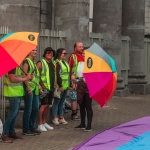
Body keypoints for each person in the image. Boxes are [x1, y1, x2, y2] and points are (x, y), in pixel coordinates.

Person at [1, 67, 33, 143]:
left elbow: (17, 78)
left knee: (14, 114)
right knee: (12, 114)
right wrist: (25, 78)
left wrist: (26, 77)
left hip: (17, 93)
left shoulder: (17, 67)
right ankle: (4, 134)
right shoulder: (12, 67)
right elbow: (12, 79)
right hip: (13, 93)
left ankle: (11, 132)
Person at [22, 47, 42, 136]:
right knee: (28, 109)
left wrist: (40, 88)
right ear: (28, 51)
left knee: (35, 108)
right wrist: (28, 88)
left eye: (36, 50)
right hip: (29, 89)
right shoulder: (26, 62)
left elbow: (36, 78)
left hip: (35, 89)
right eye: (33, 50)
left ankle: (31, 127)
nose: (35, 52)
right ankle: (26, 129)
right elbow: (24, 77)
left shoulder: (33, 62)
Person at [36, 47, 56, 132]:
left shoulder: (53, 63)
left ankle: (44, 122)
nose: (50, 54)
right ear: (44, 53)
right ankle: (40, 124)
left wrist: (55, 84)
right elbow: (37, 76)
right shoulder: (40, 63)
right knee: (43, 105)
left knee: (48, 105)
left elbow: (53, 75)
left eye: (51, 53)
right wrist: (41, 87)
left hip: (51, 88)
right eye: (48, 53)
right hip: (44, 88)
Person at [75, 48, 93, 131]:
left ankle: (89, 125)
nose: (83, 55)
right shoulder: (80, 63)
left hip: (88, 86)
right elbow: (76, 73)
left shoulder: (91, 64)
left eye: (85, 53)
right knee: (81, 105)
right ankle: (82, 123)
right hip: (80, 85)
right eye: (83, 53)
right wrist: (74, 77)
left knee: (88, 106)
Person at [52, 48, 70, 125]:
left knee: (62, 102)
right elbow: (57, 75)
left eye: (66, 53)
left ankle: (61, 117)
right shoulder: (57, 63)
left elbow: (67, 75)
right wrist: (60, 85)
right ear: (59, 54)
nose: (65, 55)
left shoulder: (64, 62)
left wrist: (69, 85)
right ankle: (55, 117)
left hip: (65, 86)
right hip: (60, 86)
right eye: (64, 53)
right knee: (56, 102)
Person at [68, 42, 84, 120]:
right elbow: (69, 67)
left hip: (81, 80)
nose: (81, 48)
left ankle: (77, 113)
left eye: (82, 47)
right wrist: (71, 78)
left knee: (79, 97)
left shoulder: (83, 56)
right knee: (74, 97)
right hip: (74, 80)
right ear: (75, 48)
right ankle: (73, 114)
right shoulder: (73, 56)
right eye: (80, 47)